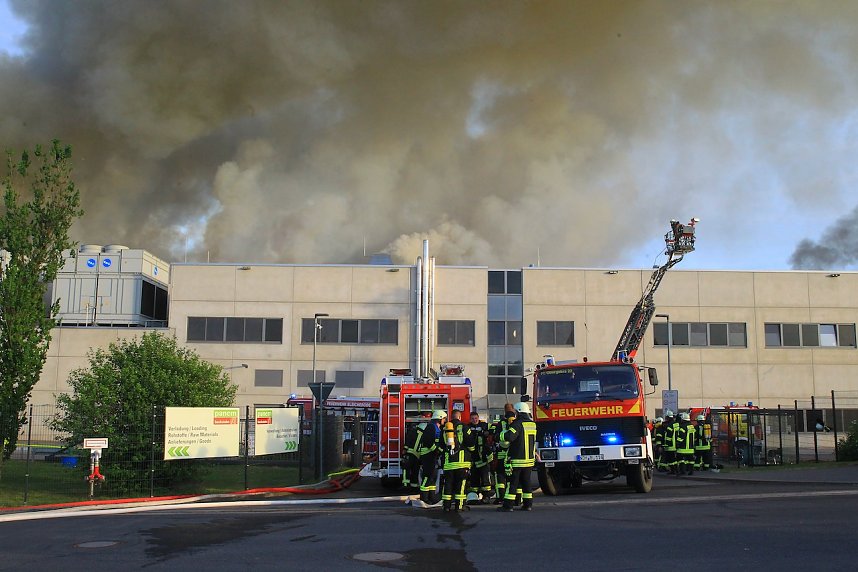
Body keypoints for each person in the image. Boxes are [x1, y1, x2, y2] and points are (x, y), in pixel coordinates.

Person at [497, 401, 537, 512]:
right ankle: (528, 505)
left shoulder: (518, 424)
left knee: (512, 483)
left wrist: (499, 435)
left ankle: (508, 505)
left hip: (517, 460)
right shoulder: (532, 424)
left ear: (518, 412)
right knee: (526, 483)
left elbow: (509, 436)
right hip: (529, 460)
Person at [441, 409, 473, 512]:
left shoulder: (445, 429)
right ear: (459, 417)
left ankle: (446, 506)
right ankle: (459, 506)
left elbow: (441, 445)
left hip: (448, 463)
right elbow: (470, 443)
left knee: (448, 485)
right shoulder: (464, 427)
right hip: (461, 463)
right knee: (461, 485)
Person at [418, 410, 446, 504]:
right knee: (427, 476)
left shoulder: (437, 428)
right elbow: (428, 441)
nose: (444, 420)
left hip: (432, 455)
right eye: (444, 419)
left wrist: (440, 450)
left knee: (432, 476)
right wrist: (437, 450)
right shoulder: (431, 427)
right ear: (439, 418)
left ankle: (432, 497)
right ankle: (424, 498)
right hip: (428, 455)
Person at [489, 403, 516, 504]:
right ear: (513, 410)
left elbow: (496, 437)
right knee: (513, 477)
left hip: (501, 454)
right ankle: (517, 499)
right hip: (514, 454)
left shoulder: (501, 423)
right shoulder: (518, 422)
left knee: (500, 475)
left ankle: (500, 497)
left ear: (504, 412)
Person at [467, 411, 493, 503]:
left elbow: (494, 428)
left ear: (478, 418)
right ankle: (474, 496)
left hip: (484, 456)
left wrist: (487, 432)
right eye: (473, 419)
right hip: (473, 456)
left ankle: (486, 496)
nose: (474, 420)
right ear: (470, 419)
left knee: (485, 477)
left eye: (476, 418)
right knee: (474, 477)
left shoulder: (484, 425)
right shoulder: (468, 427)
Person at [401, 413, 430, 488]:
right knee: (415, 470)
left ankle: (405, 484)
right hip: (418, 455)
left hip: (410, 453)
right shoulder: (426, 434)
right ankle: (414, 485)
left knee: (406, 468)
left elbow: (408, 440)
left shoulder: (413, 431)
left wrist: (405, 449)